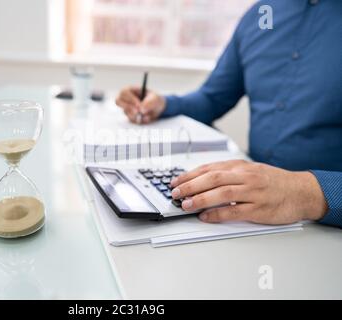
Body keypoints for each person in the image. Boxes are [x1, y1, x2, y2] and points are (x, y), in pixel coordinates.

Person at [115, 0, 342, 227]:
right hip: (248, 211)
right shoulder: (261, 15)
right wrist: (164, 104)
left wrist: (307, 193)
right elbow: (213, 98)